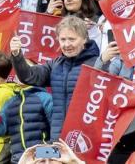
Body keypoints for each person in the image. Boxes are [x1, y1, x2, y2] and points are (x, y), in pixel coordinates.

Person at [8, 16, 101, 144]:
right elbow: (29, 76)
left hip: (85, 140)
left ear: (85, 39)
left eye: (72, 39)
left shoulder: (98, 64)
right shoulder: (55, 64)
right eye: (63, 39)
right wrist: (17, 55)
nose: (67, 44)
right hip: (57, 138)